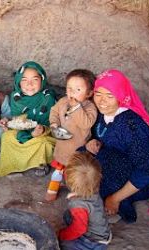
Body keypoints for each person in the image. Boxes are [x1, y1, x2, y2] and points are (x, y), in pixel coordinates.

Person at [85, 69, 149, 223]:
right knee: (82, 155)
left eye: (110, 96)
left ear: (121, 96)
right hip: (119, 160)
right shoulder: (104, 113)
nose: (102, 101)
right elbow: (101, 134)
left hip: (146, 180)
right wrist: (93, 142)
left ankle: (120, 203)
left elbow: (146, 172)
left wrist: (114, 198)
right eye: (98, 94)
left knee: (99, 173)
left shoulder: (131, 126)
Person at [0, 61, 56, 177]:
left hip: (43, 133)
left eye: (35, 80)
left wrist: (42, 130)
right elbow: (16, 118)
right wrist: (7, 121)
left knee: (43, 143)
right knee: (6, 137)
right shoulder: (16, 97)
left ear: (42, 80)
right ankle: (14, 162)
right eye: (24, 80)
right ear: (18, 82)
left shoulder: (48, 98)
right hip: (22, 131)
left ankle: (39, 163)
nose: (29, 84)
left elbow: (54, 123)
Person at [45, 69, 98, 201]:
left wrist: (76, 108)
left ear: (89, 93)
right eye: (69, 88)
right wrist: (54, 123)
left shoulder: (90, 108)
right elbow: (54, 111)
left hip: (78, 152)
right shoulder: (63, 101)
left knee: (76, 175)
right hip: (62, 147)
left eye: (78, 90)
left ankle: (76, 193)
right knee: (58, 171)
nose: (72, 93)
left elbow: (86, 123)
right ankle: (52, 190)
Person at [59, 152, 112, 250]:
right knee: (67, 215)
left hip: (93, 241)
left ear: (67, 181)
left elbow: (79, 229)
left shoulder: (78, 205)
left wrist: (62, 235)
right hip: (101, 230)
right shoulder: (93, 187)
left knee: (65, 244)